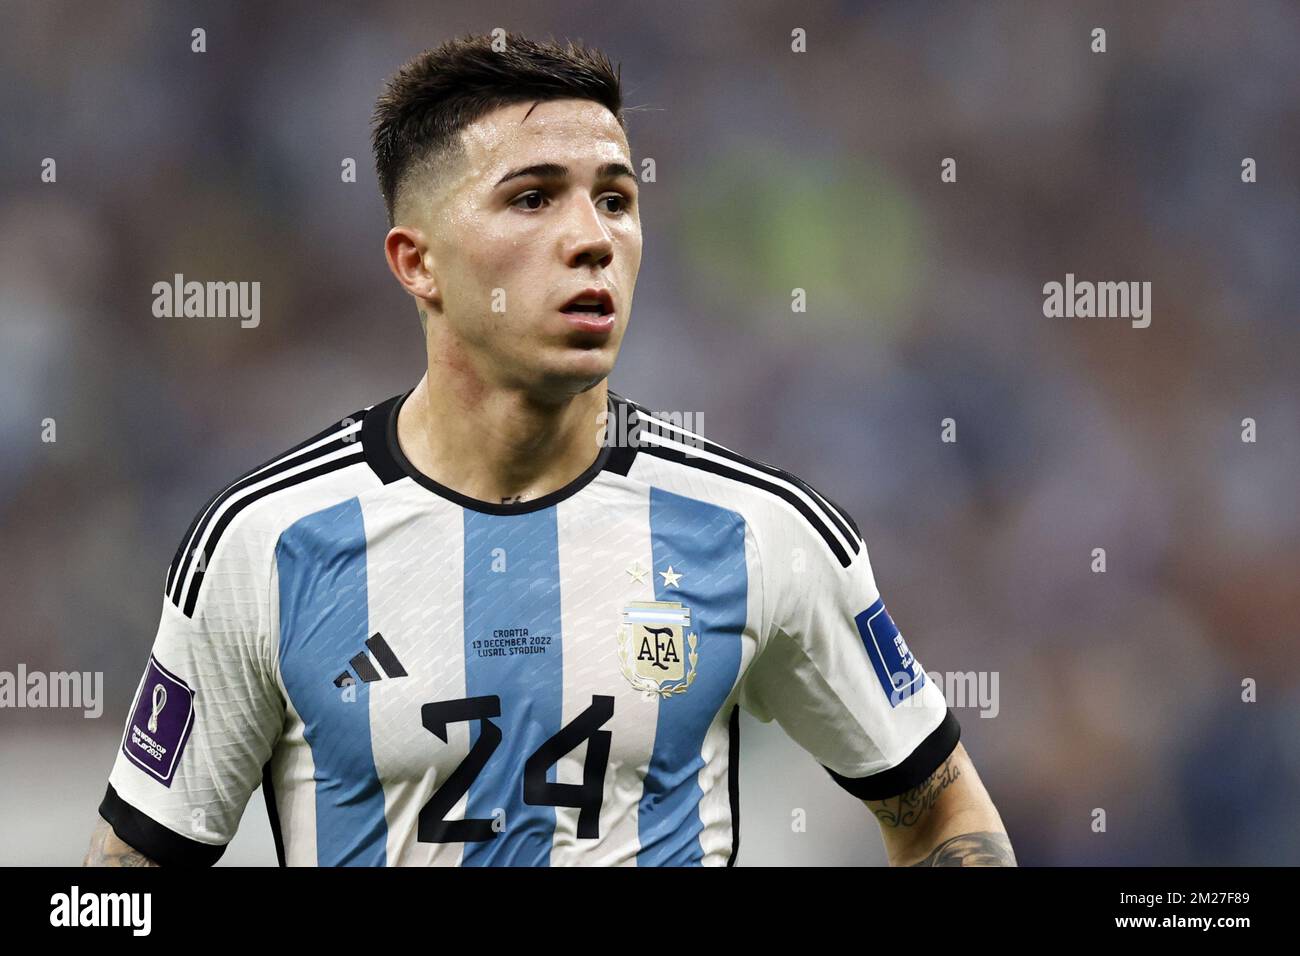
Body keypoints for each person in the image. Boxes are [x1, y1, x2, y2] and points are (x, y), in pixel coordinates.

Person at [84, 32, 1014, 867]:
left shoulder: (760, 533)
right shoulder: (266, 546)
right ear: (418, 263)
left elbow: (939, 814)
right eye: (533, 199)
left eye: (616, 199)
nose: (592, 240)